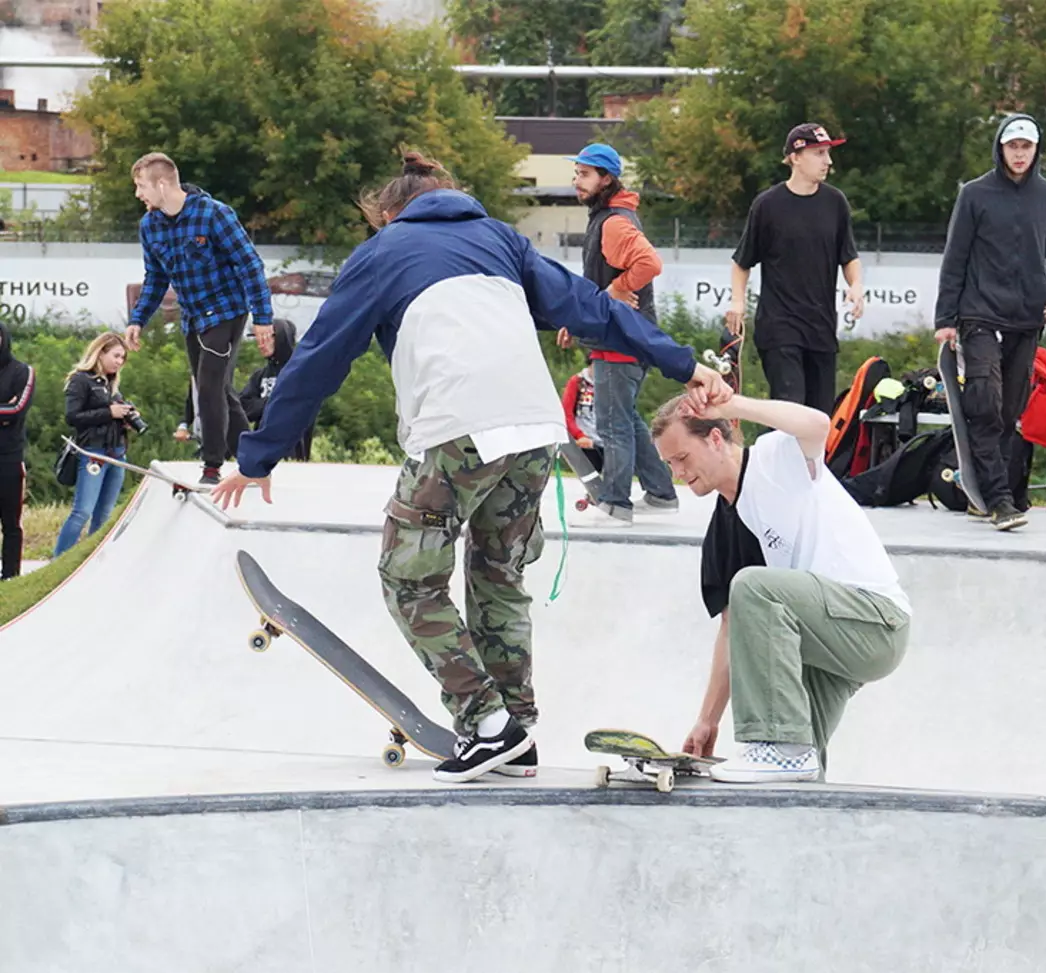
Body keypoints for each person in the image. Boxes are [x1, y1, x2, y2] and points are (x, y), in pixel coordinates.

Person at [211, 152, 730, 783]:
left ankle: (486, 725)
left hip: (458, 429)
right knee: (497, 576)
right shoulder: (500, 238)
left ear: (387, 214)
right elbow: (594, 308)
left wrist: (259, 455)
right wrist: (686, 364)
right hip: (536, 432)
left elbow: (319, 358)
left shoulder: (381, 252)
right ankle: (516, 732)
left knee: (407, 579)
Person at [650, 392, 910, 783]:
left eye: (682, 458)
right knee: (798, 773)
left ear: (716, 439)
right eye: (669, 464)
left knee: (754, 587)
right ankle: (789, 770)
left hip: (873, 619)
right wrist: (707, 720)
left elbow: (818, 425)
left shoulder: (776, 459)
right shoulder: (726, 529)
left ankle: (778, 746)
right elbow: (734, 627)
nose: (678, 473)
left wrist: (732, 406)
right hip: (823, 645)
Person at [934, 114, 1046, 531]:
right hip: (979, 314)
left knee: (1010, 409)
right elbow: (954, 256)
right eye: (1013, 146)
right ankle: (998, 499)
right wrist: (946, 318)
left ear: (1036, 150)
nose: (1019, 154)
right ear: (1000, 148)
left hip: (1027, 319)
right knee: (984, 403)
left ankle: (983, 490)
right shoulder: (975, 194)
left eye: (1026, 147)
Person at [125, 153, 273, 484]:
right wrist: (138, 320)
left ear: (162, 184)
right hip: (193, 317)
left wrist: (263, 319)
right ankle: (253, 460)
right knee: (217, 387)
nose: (138, 194)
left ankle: (211, 465)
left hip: (227, 310)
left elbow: (250, 265)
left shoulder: (214, 214)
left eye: (140, 186)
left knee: (207, 387)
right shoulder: (150, 226)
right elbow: (155, 279)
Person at [559, 142, 678, 527]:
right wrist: (576, 318)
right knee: (625, 417)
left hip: (620, 339)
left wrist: (617, 289)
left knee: (613, 422)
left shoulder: (613, 221)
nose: (577, 181)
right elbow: (597, 281)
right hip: (624, 337)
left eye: (584, 174)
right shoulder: (608, 217)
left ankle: (614, 502)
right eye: (576, 173)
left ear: (606, 179)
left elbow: (649, 263)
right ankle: (661, 492)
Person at [727, 122, 865, 414]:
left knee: (819, 417)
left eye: (828, 153)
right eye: (819, 153)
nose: (828, 161)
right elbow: (742, 262)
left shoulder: (835, 202)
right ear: (796, 156)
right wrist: (737, 303)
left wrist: (856, 286)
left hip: (821, 326)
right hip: (780, 326)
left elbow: (849, 256)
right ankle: (781, 458)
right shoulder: (767, 205)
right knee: (791, 408)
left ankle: (808, 462)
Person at [54, 333, 137, 557]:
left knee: (105, 514)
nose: (119, 362)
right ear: (100, 352)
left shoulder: (112, 384)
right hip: (93, 452)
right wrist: (108, 412)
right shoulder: (80, 380)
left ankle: (93, 560)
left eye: (123, 358)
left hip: (117, 452)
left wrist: (125, 420)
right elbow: (73, 417)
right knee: (82, 511)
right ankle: (59, 560)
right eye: (116, 356)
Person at [238, 318, 313, 461]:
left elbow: (296, 409)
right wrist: (274, 402)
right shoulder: (259, 376)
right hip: (261, 455)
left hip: (293, 455)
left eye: (266, 338)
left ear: (280, 338)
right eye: (258, 338)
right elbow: (243, 408)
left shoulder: (301, 374)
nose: (261, 343)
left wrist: (262, 405)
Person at [0, 324, 34, 579]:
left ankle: (10, 576)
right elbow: (6, 411)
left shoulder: (22, 372)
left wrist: (8, 411)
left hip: (9, 457)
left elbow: (17, 411)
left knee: (11, 523)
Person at [561, 363, 603, 472]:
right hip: (586, 438)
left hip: (607, 439)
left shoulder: (611, 383)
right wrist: (579, 435)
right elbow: (566, 413)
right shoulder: (577, 382)